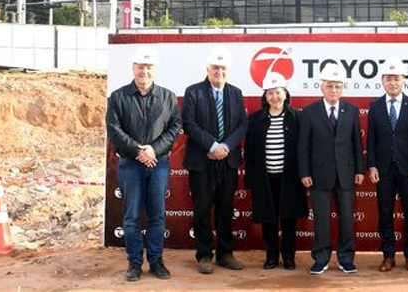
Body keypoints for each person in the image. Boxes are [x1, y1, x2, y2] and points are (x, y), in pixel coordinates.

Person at [106, 46, 182, 282]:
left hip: (158, 164)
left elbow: (174, 128)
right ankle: (134, 262)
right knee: (131, 216)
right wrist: (139, 150)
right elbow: (114, 130)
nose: (144, 71)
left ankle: (156, 261)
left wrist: (153, 150)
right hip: (130, 164)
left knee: (157, 215)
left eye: (148, 67)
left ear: (154, 70)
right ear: (133, 68)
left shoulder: (168, 97)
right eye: (140, 67)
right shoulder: (119, 97)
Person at [181, 48, 248, 274]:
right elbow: (189, 123)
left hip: (227, 162)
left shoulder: (236, 94)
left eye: (223, 68)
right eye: (215, 68)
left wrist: (225, 147)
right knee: (201, 208)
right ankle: (204, 254)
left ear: (228, 71)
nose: (219, 71)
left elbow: (242, 125)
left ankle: (225, 253)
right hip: (202, 161)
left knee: (226, 209)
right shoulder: (193, 92)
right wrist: (212, 146)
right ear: (208, 69)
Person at [298, 63, 365, 275]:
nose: (334, 90)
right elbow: (303, 146)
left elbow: (357, 143)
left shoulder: (352, 110)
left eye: (337, 86)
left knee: (346, 219)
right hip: (318, 175)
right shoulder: (309, 111)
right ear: (322, 87)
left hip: (346, 174)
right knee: (321, 220)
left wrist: (359, 170)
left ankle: (346, 259)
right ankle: (321, 258)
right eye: (329, 86)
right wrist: (304, 172)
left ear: (342, 88)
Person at [366, 58, 408, 272]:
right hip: (383, 170)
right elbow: (370, 139)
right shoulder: (375, 106)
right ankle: (388, 255)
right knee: (384, 213)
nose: (392, 83)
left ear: (404, 81)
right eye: (388, 79)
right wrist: (371, 166)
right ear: (382, 81)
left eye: (396, 79)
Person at [244, 72, 308, 271]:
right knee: (268, 218)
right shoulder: (255, 119)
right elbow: (250, 151)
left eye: (278, 92)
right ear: (265, 96)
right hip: (264, 178)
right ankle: (271, 256)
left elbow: (305, 148)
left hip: (290, 178)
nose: (274, 97)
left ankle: (289, 257)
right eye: (270, 93)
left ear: (286, 94)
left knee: (289, 218)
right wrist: (250, 178)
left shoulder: (298, 117)